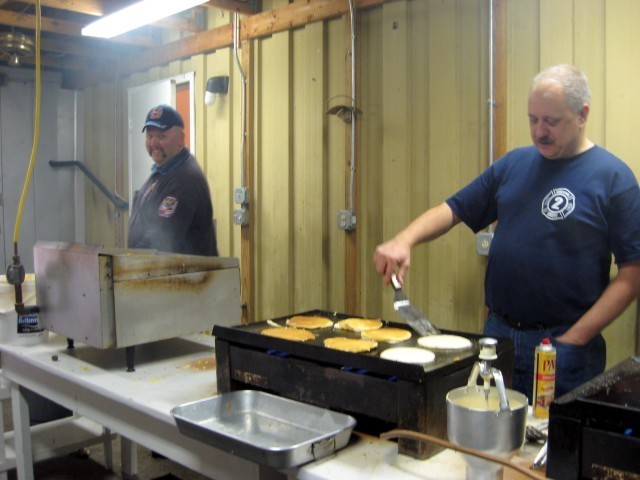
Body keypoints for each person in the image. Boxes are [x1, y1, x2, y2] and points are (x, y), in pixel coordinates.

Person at [373, 64, 640, 402]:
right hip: (498, 337)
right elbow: (453, 209)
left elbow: (633, 272)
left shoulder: (613, 178)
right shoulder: (514, 164)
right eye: (533, 119)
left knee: (554, 446)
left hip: (564, 348)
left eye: (551, 121)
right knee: (493, 434)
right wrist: (403, 239)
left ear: (582, 114)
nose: (539, 131)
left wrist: (575, 338)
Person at [128, 104, 218, 256]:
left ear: (180, 140)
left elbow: (162, 237)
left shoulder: (185, 179)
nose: (154, 143)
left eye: (161, 137)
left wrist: (128, 261)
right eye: (150, 136)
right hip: (155, 272)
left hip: (184, 277)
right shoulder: (162, 172)